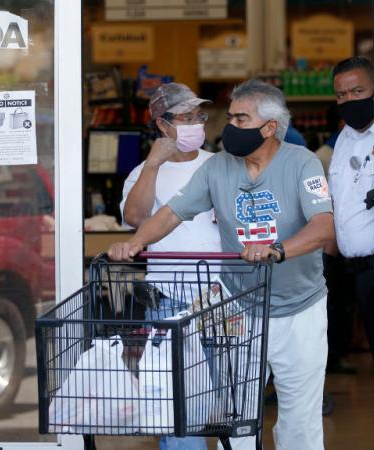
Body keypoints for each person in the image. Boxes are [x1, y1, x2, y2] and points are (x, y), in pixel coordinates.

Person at [109, 79, 335, 450]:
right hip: (241, 307)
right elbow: (171, 213)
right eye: (229, 117)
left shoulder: (302, 162)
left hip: (301, 309)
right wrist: (134, 243)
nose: (228, 126)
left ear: (269, 127)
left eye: (240, 119)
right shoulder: (218, 169)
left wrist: (276, 249)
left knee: (300, 418)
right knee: (238, 415)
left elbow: (323, 226)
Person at [120, 82, 221, 450]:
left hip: (222, 298)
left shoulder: (220, 165)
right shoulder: (143, 173)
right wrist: (153, 163)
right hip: (170, 300)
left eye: (199, 116)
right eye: (186, 118)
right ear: (163, 126)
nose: (196, 124)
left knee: (228, 400)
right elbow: (135, 217)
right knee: (179, 403)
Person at [327, 56, 374, 364]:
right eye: (341, 95)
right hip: (354, 271)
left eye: (357, 91)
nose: (348, 100)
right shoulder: (344, 141)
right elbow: (340, 204)